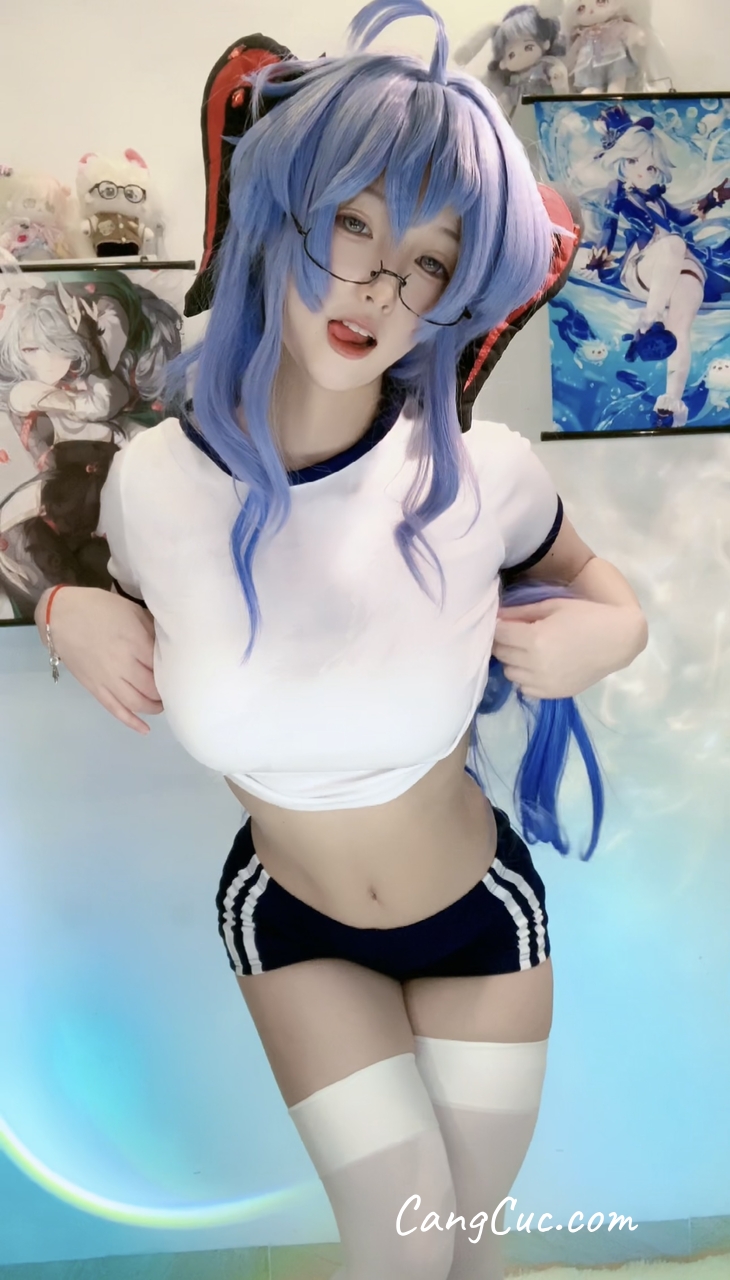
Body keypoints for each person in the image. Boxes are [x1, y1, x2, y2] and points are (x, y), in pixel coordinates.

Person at [33, 2, 648, 1276]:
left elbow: (606, 595)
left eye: (426, 260)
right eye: (353, 225)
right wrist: (58, 605)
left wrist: (609, 634)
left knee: (464, 1247)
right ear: (279, 220)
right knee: (398, 1239)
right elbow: (119, 587)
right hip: (292, 920)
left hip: (478, 916)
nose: (377, 284)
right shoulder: (154, 483)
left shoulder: (480, 472)